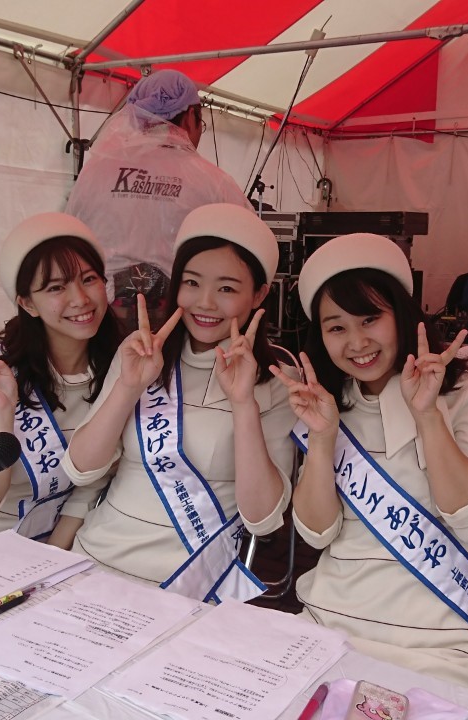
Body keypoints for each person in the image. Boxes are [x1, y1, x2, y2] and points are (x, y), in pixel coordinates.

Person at [269, 233, 468, 689]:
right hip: (330, 622)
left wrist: (428, 415)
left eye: (370, 318)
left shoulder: (466, 393)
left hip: (438, 635)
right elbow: (316, 533)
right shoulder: (327, 404)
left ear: (402, 315)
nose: (357, 342)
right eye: (336, 327)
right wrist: (323, 436)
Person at [63, 203, 295, 602]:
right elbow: (81, 470)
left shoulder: (277, 380)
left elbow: (264, 520)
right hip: (97, 561)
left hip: (192, 583)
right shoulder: (141, 352)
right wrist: (128, 387)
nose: (205, 302)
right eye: (191, 283)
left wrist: (243, 403)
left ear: (259, 294)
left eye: (226, 288)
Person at [0, 214, 122, 546]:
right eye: (56, 287)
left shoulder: (122, 370)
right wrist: (2, 410)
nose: (80, 299)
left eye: (89, 279)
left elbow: (92, 484)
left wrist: (54, 555)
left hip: (36, 546)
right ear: (28, 303)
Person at [65, 69, 251, 332]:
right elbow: (250, 249)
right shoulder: (213, 181)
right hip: (181, 323)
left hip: (101, 320)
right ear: (190, 116)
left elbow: (68, 238)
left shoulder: (95, 171)